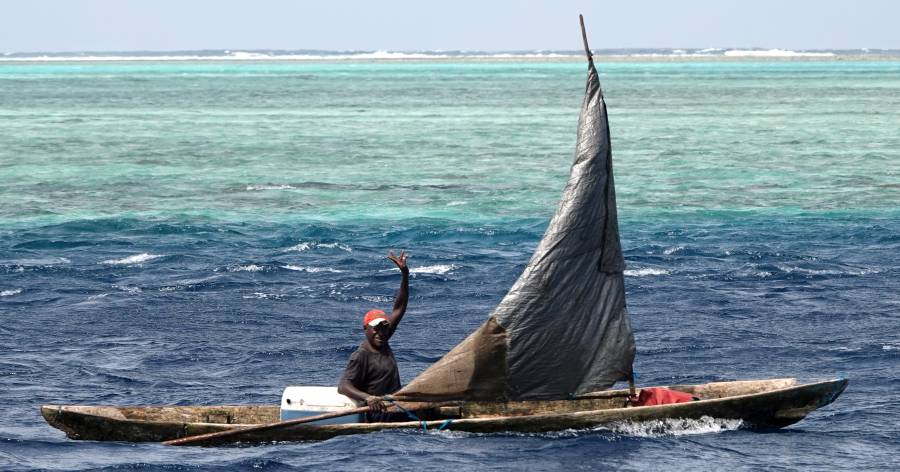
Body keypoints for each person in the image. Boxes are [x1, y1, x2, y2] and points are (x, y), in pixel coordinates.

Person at [338, 250, 409, 422]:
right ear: (366, 329)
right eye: (376, 329)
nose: (381, 332)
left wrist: (405, 275)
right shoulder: (361, 355)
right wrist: (368, 398)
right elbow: (343, 386)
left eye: (384, 328)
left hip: (396, 406)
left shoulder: (383, 339)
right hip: (379, 412)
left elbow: (399, 308)